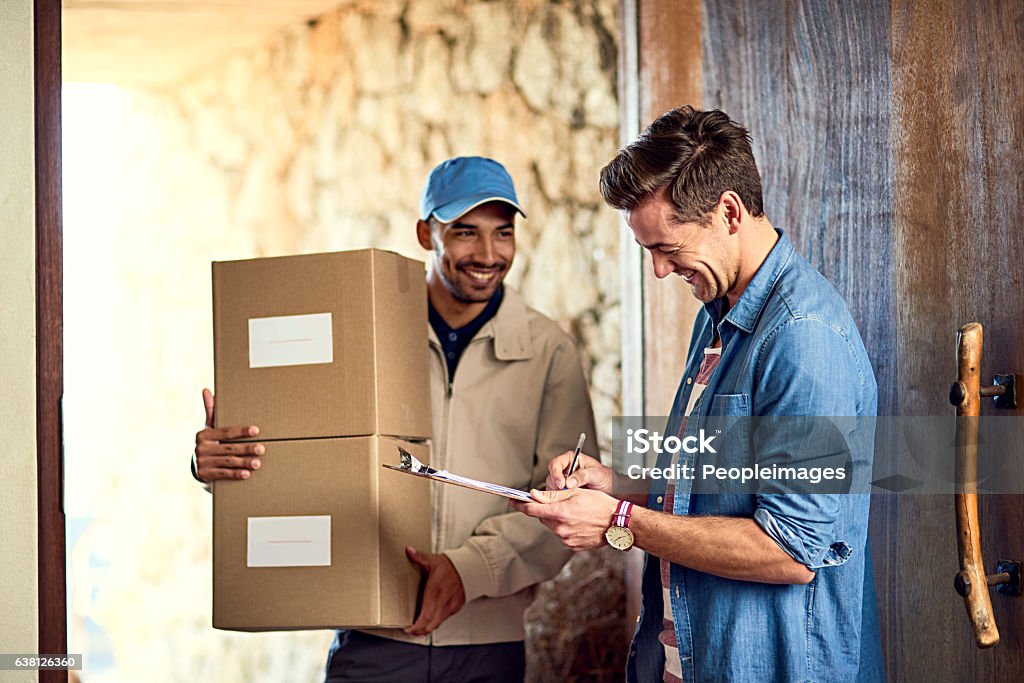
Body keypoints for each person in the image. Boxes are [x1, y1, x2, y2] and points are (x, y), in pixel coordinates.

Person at [512, 107, 883, 682]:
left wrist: (620, 518)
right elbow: (716, 492)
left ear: (728, 212)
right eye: (648, 252)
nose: (661, 272)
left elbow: (790, 552)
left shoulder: (803, 338)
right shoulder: (716, 315)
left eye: (669, 248)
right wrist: (614, 485)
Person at [193, 156, 598, 682]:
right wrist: (221, 466)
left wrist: (469, 568)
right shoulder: (362, 337)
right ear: (425, 233)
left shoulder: (548, 353)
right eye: (465, 232)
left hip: (487, 646)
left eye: (503, 233)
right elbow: (301, 450)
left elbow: (567, 500)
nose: (488, 253)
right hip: (372, 639)